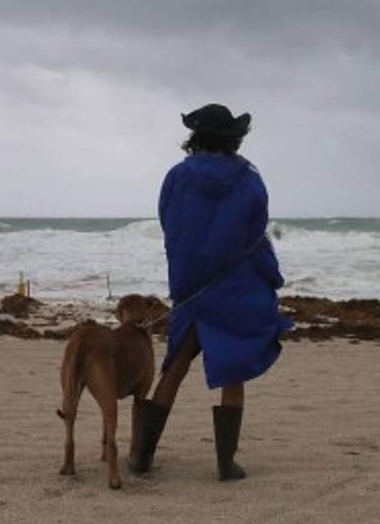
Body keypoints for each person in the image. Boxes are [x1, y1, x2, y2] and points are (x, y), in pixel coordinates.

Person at [129, 103, 292, 481]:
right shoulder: (250, 179)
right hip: (235, 287)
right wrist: (266, 273)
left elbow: (171, 230)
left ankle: (142, 457)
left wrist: (186, 274)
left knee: (174, 368)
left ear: (195, 137)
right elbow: (255, 233)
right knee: (233, 369)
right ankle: (225, 463)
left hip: (190, 286)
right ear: (234, 139)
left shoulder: (176, 177)